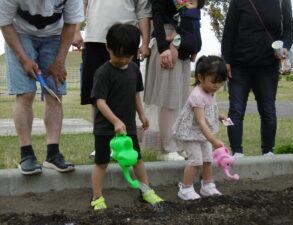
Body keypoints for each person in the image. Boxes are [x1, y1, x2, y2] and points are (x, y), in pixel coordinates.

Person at [0, 0, 84, 175]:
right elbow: (5, 23)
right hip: (19, 33)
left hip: (55, 35)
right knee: (26, 93)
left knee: (55, 93)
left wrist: (59, 61)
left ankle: (53, 154)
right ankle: (27, 155)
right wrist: (24, 59)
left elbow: (71, 23)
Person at [90, 24, 164, 210]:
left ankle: (146, 190)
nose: (124, 60)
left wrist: (142, 114)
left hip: (128, 127)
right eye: (119, 55)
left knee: (137, 159)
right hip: (105, 128)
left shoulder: (133, 69)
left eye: (128, 56)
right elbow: (100, 102)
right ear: (108, 48)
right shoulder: (103, 73)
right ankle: (97, 197)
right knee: (101, 162)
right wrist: (115, 121)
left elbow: (135, 95)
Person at [72, 0, 151, 158]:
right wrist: (76, 31)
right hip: (95, 39)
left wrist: (145, 43)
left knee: (126, 96)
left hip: (128, 41)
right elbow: (81, 5)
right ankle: (102, 146)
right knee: (96, 97)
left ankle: (124, 145)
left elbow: (143, 12)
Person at [221, 0, 293, 158]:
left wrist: (285, 47)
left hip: (267, 67)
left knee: (268, 110)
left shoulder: (282, 2)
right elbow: (229, 30)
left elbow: (290, 30)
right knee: (235, 111)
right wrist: (226, 60)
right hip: (239, 65)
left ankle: (268, 151)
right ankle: (237, 152)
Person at [143, 0, 205, 161]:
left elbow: (194, 17)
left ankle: (178, 145)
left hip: (182, 43)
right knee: (168, 99)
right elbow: (156, 14)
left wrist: (194, 45)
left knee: (180, 99)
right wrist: (164, 48)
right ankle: (167, 147)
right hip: (167, 40)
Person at [173, 56, 227, 200]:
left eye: (220, 82)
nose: (216, 86)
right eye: (213, 82)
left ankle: (207, 185)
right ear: (200, 77)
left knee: (208, 159)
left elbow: (209, 109)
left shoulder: (210, 91)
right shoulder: (197, 96)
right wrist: (214, 140)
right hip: (191, 134)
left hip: (202, 134)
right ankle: (185, 188)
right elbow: (201, 121)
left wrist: (219, 116)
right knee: (196, 161)